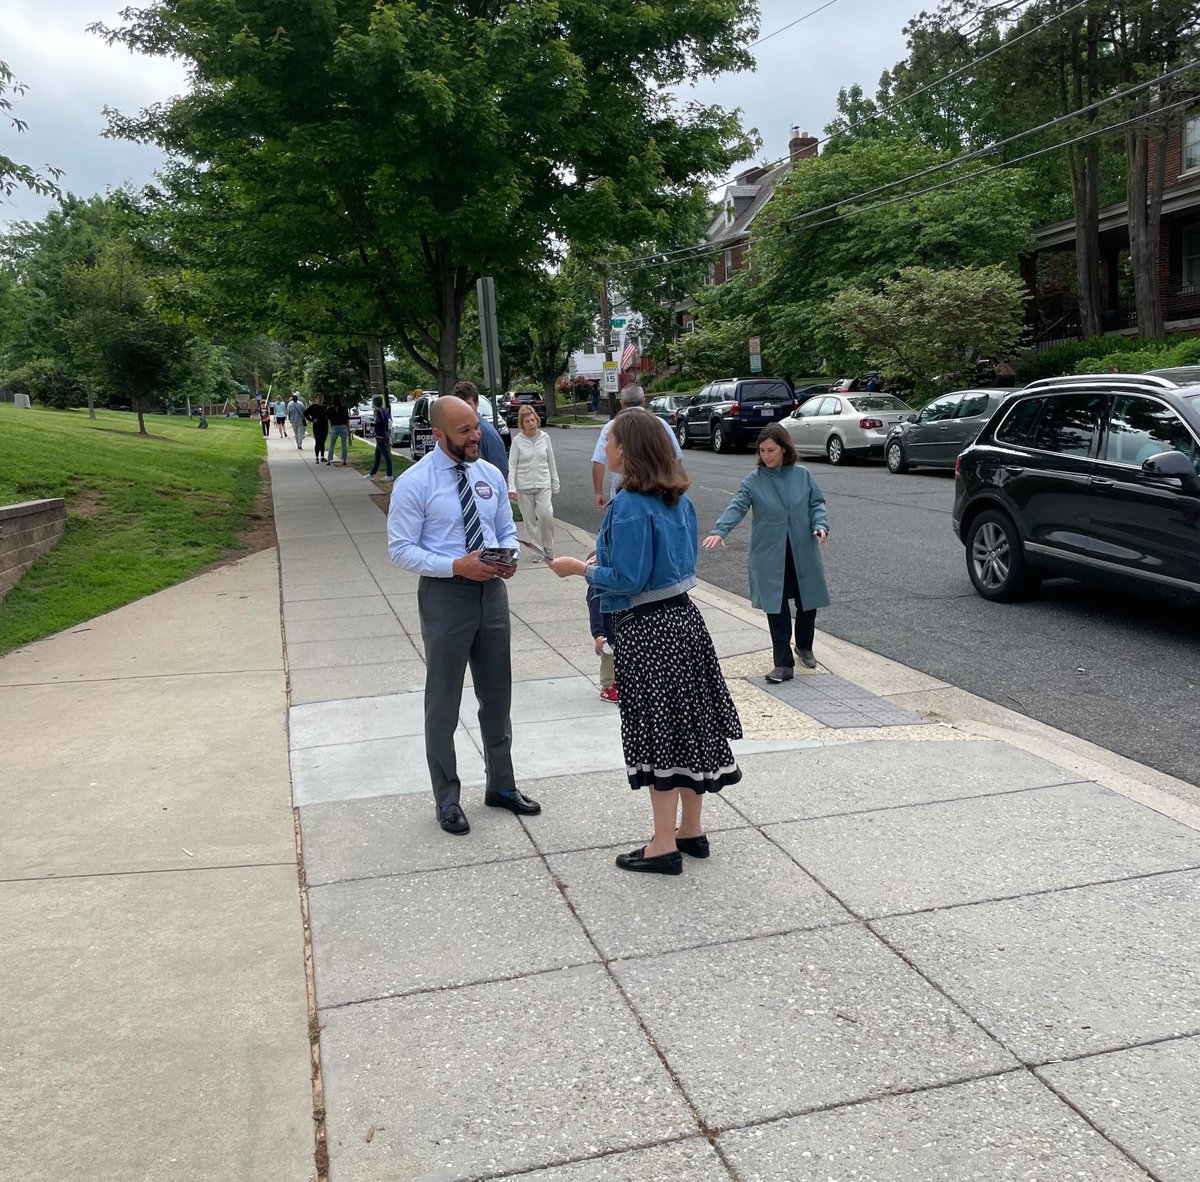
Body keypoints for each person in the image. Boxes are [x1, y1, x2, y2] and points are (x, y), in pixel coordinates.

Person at [549, 411, 741, 875]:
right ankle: (690, 831)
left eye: (610, 439)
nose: (605, 447)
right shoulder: (678, 499)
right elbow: (670, 563)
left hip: (648, 629)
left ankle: (661, 845)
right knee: (689, 728)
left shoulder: (629, 504)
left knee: (659, 734)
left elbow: (630, 578)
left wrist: (583, 569)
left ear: (629, 449)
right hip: (684, 622)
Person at [386, 395, 541, 835]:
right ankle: (447, 797)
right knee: (444, 702)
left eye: (476, 426)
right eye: (465, 431)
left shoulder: (488, 473)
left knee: (497, 695)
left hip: (491, 593)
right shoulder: (415, 483)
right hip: (445, 596)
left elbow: (505, 528)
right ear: (438, 435)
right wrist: (456, 565)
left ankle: (502, 786)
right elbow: (400, 550)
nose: (476, 436)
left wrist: (506, 556)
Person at [702, 423, 830, 681]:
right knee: (776, 607)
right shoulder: (753, 480)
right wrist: (720, 530)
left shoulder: (802, 475)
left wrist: (820, 525)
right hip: (770, 554)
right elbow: (737, 506)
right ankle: (783, 664)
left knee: (808, 602)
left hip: (801, 550)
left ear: (784, 448)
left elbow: (816, 503)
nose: (766, 455)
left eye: (771, 450)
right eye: (761, 451)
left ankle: (804, 646)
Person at [591, 383, 681, 509]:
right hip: (662, 492)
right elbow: (676, 457)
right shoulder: (660, 423)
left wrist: (598, 493)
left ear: (622, 403)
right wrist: (674, 485)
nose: (606, 449)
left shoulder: (612, 426)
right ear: (643, 401)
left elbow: (598, 461)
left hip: (624, 495)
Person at [507, 405, 559, 560]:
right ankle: (537, 550)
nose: (531, 423)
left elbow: (551, 461)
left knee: (546, 514)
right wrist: (512, 487)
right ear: (522, 424)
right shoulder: (517, 441)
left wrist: (555, 481)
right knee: (529, 520)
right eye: (527, 421)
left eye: (533, 420)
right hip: (523, 486)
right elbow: (512, 465)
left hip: (543, 483)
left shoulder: (545, 437)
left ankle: (548, 546)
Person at [454, 381, 508, 477]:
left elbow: (501, 472)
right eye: (460, 404)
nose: (464, 409)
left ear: (477, 403)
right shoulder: (452, 431)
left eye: (468, 404)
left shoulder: (488, 433)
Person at [585, 556, 617, 704]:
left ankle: (615, 683)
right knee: (608, 661)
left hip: (617, 632)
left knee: (617, 660)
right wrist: (598, 635)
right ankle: (607, 687)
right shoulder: (596, 591)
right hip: (607, 636)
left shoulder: (613, 587)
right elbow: (595, 615)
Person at [365, 395, 394, 481]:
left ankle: (389, 475)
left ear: (374, 403)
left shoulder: (378, 411)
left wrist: (372, 424)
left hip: (380, 435)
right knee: (377, 456)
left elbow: (380, 423)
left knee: (386, 456)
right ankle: (372, 473)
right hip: (383, 435)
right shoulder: (384, 410)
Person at [304, 395, 329, 463]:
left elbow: (327, 416)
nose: (320, 400)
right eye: (318, 398)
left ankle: (322, 456)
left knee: (323, 442)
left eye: (321, 398)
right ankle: (317, 457)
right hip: (317, 426)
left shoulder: (324, 407)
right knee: (318, 441)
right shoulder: (313, 407)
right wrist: (312, 419)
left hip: (324, 426)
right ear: (316, 399)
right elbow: (305, 413)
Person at [326, 396, 350, 465]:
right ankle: (344, 460)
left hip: (334, 427)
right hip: (343, 426)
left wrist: (330, 429)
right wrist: (348, 429)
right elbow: (347, 420)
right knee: (344, 444)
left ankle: (329, 460)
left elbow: (329, 420)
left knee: (332, 444)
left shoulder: (330, 409)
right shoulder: (344, 409)